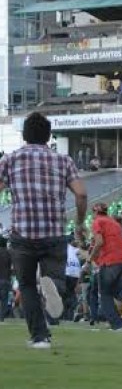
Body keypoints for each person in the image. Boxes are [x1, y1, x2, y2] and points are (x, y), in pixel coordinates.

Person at [0, 112, 87, 349]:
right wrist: (79, 224)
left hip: (22, 234)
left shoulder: (10, 160)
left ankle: (39, 337)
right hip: (53, 232)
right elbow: (81, 193)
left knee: (27, 285)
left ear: (25, 135)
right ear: (49, 136)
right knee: (54, 276)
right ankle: (54, 288)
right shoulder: (63, 160)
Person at [89, 202, 122, 331]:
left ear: (95, 212)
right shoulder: (115, 223)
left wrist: (89, 259)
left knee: (105, 294)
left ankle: (117, 325)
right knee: (117, 292)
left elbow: (99, 242)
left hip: (110, 262)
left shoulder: (98, 222)